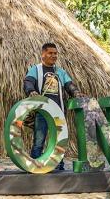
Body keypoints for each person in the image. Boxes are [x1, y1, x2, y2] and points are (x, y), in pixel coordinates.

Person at [23, 42, 83, 170]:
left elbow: (69, 85)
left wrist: (76, 92)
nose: (54, 55)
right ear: (43, 54)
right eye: (50, 53)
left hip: (58, 112)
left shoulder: (60, 72)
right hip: (42, 111)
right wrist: (31, 91)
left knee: (59, 141)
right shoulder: (36, 69)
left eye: (55, 53)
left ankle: (58, 165)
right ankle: (35, 165)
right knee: (39, 140)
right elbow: (28, 82)